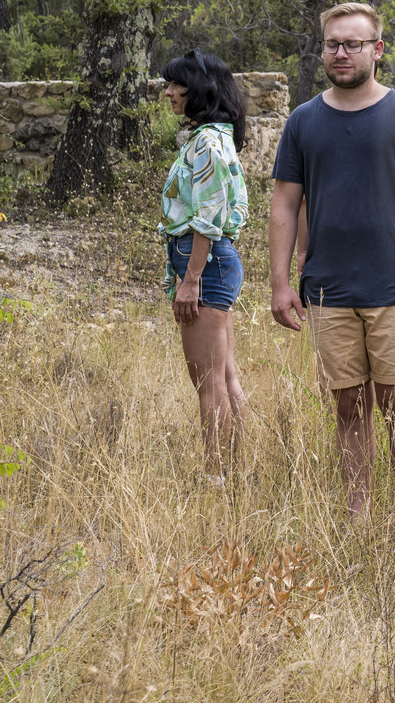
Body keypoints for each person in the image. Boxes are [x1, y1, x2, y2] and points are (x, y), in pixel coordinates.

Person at [269, 2, 395, 517]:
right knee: (348, 407)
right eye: (332, 45)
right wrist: (282, 284)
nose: (341, 53)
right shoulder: (304, 121)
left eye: (353, 44)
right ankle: (358, 513)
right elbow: (284, 203)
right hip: (327, 290)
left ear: (378, 49)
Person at [159, 49, 250, 479]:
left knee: (209, 382)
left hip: (205, 262)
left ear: (201, 90)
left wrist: (190, 278)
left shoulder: (209, 143)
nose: (169, 93)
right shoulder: (214, 136)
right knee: (225, 377)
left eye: (178, 85)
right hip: (213, 261)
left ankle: (217, 477)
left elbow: (208, 216)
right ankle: (235, 473)